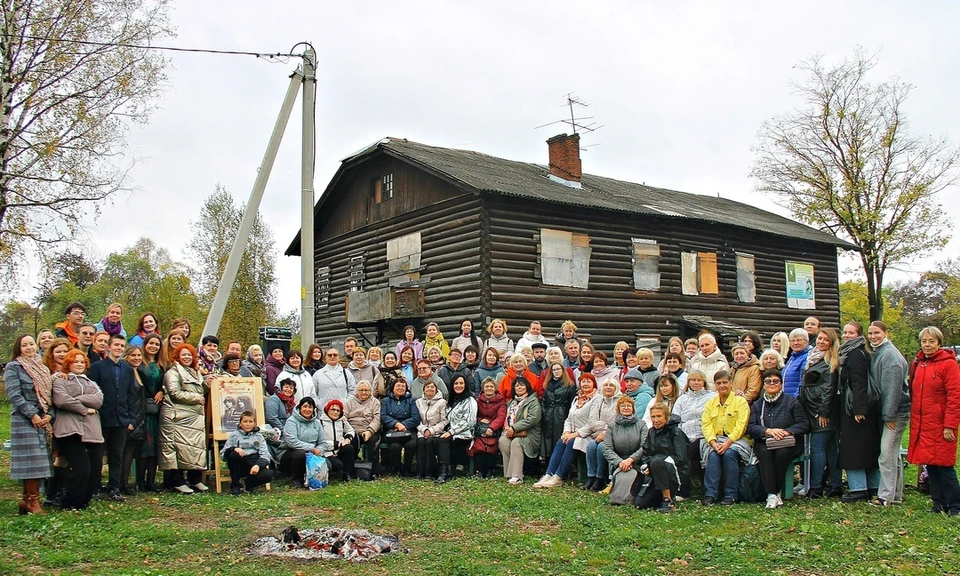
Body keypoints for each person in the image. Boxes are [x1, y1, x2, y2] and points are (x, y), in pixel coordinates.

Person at [907, 326, 960, 516]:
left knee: (945, 466)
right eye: (924, 341)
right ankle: (938, 504)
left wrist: (950, 425)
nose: (927, 345)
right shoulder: (919, 364)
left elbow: (955, 397)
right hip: (923, 423)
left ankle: (955, 506)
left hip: (941, 423)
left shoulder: (949, 364)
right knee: (931, 464)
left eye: (931, 341)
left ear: (939, 343)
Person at [6, 334, 55, 515]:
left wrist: (49, 415)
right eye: (24, 345)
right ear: (19, 348)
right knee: (31, 461)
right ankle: (33, 501)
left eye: (31, 344)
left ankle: (27, 500)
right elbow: (15, 395)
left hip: (43, 419)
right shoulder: (14, 367)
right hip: (23, 419)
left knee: (40, 461)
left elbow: (50, 397)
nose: (29, 348)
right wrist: (32, 414)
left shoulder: (43, 368)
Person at [748, 370, 809, 509]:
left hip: (788, 442)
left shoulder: (791, 402)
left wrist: (786, 432)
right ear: (763, 385)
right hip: (765, 441)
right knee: (764, 453)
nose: (772, 384)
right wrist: (767, 431)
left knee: (782, 453)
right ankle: (773, 494)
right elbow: (751, 427)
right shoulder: (758, 404)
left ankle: (774, 491)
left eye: (775, 381)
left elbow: (803, 424)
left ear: (781, 384)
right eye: (768, 381)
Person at [87, 334, 138, 502]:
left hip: (121, 418)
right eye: (116, 345)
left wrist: (131, 419)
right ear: (108, 347)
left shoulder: (127, 369)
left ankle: (114, 487)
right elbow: (92, 392)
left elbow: (131, 395)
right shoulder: (97, 367)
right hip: (101, 418)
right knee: (97, 455)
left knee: (117, 455)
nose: (119, 348)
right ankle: (94, 487)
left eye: (122, 346)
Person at [51, 350, 104, 510]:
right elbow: (60, 400)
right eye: (76, 362)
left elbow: (99, 399)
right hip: (69, 429)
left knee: (95, 467)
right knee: (81, 467)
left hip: (92, 429)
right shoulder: (61, 381)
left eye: (82, 362)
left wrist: (75, 400)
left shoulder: (91, 383)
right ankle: (70, 502)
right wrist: (84, 409)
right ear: (69, 364)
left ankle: (83, 501)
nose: (79, 365)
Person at [837, 322, 881, 503]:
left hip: (855, 408)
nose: (847, 335)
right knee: (867, 448)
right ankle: (873, 486)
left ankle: (858, 488)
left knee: (853, 449)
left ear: (858, 335)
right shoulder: (859, 351)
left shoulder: (855, 354)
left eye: (851, 333)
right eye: (845, 332)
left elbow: (858, 382)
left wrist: (858, 409)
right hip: (863, 407)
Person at [868, 321, 910, 506]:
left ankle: (885, 496)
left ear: (885, 333)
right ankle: (897, 495)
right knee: (892, 453)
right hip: (887, 411)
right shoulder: (879, 352)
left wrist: (889, 416)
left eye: (876, 333)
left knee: (886, 454)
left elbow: (892, 390)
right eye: (870, 333)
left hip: (895, 413)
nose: (873, 336)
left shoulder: (890, 356)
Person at [159, 343, 209, 494]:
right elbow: (174, 392)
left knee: (193, 448)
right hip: (176, 417)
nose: (187, 357)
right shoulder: (173, 372)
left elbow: (200, 391)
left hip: (192, 417)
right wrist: (196, 397)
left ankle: (194, 480)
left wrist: (207, 384)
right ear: (177, 356)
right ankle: (178, 481)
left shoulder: (195, 371)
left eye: (189, 355)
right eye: (184, 355)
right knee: (176, 449)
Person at [534, 373, 598, 488]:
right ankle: (548, 474)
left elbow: (592, 423)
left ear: (594, 383)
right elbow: (569, 418)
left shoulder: (597, 399)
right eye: (583, 381)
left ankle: (558, 477)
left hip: (588, 434)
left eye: (589, 381)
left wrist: (575, 434)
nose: (586, 384)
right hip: (573, 433)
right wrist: (567, 432)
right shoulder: (577, 398)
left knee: (571, 442)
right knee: (561, 441)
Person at [800, 328, 841, 499]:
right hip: (815, 409)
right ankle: (836, 484)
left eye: (825, 339)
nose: (821, 341)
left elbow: (828, 389)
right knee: (831, 450)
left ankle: (816, 487)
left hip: (820, 412)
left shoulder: (829, 361)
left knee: (818, 449)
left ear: (831, 342)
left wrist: (822, 412)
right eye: (820, 338)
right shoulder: (815, 358)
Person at [700, 370, 752, 505]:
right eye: (719, 383)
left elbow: (741, 426)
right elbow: (706, 425)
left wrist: (728, 443)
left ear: (731, 384)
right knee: (713, 455)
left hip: (737, 440)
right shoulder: (710, 403)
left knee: (729, 454)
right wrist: (713, 442)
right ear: (715, 386)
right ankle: (710, 494)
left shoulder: (740, 402)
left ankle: (731, 495)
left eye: (725, 382)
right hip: (716, 440)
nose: (722, 386)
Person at [635, 403, 689, 513]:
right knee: (640, 504)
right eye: (653, 417)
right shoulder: (651, 432)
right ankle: (660, 497)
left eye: (659, 416)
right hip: (656, 474)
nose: (655, 420)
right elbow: (646, 453)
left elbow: (680, 458)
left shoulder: (676, 432)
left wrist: (659, 464)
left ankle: (667, 500)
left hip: (675, 473)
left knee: (656, 462)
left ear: (667, 417)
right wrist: (646, 466)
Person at [672, 370, 716, 497]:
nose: (696, 382)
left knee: (692, 452)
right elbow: (675, 420)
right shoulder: (682, 399)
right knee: (681, 454)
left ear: (704, 382)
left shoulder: (712, 397)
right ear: (688, 382)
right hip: (684, 435)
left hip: (704, 435)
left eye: (699, 380)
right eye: (693, 380)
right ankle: (683, 490)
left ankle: (704, 488)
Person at [603, 396, 648, 500]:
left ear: (633, 408)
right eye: (623, 406)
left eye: (629, 406)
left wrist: (631, 460)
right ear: (618, 409)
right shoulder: (612, 426)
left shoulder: (641, 424)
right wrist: (620, 462)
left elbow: (644, 446)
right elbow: (607, 449)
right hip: (618, 462)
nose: (626, 408)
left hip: (637, 461)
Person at [499, 377, 542, 485]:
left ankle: (517, 475)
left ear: (527, 386)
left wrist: (514, 428)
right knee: (503, 441)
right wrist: (508, 428)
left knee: (516, 442)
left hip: (529, 434)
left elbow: (533, 419)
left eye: (522, 385)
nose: (519, 387)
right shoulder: (511, 402)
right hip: (512, 433)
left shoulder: (533, 400)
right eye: (517, 385)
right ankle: (508, 474)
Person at [221, 411, 273, 495]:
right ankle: (236, 485)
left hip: (253, 463)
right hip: (239, 464)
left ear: (254, 423)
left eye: (250, 422)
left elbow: (266, 455)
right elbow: (223, 456)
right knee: (233, 454)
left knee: (268, 475)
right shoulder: (234, 435)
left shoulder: (259, 436)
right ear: (240, 424)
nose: (248, 424)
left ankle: (248, 484)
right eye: (245, 422)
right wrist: (233, 449)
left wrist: (258, 465)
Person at [583, 378, 621, 491]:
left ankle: (600, 478)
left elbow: (617, 422)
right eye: (606, 385)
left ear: (616, 388)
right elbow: (592, 421)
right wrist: (606, 425)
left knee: (601, 447)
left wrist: (606, 431)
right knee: (590, 446)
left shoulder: (620, 401)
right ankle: (591, 475)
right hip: (597, 434)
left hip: (614, 434)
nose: (608, 387)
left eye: (611, 385)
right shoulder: (599, 400)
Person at [138, 334, 164, 492]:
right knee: (144, 448)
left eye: (157, 344)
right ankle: (140, 481)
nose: (153, 346)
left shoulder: (161, 364)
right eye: (151, 343)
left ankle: (151, 481)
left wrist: (161, 391)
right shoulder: (140, 364)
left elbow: (163, 383)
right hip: (144, 409)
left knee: (155, 447)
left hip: (157, 409)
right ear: (145, 344)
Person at [278, 397, 324, 488]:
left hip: (312, 453)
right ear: (300, 408)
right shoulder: (291, 421)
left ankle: (311, 477)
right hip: (290, 452)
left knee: (329, 466)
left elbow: (323, 442)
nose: (307, 409)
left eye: (310, 407)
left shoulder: (317, 423)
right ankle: (296, 479)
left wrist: (318, 450)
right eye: (305, 406)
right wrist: (311, 448)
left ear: (313, 409)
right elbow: (292, 442)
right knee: (300, 454)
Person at [120, 345, 147, 496]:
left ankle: (125, 482)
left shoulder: (137, 372)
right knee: (125, 453)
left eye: (139, 355)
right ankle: (122, 484)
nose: (137, 358)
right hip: (130, 418)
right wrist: (128, 420)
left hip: (139, 417)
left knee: (130, 452)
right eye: (133, 356)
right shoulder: (126, 372)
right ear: (127, 357)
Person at [380, 379, 420, 476]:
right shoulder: (386, 401)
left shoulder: (412, 400)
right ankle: (396, 468)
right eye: (398, 386)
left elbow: (416, 418)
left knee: (411, 444)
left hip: (408, 429)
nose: (400, 388)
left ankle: (407, 468)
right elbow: (383, 417)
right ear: (392, 388)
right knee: (395, 446)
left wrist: (404, 425)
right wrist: (396, 424)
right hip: (391, 429)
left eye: (403, 386)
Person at [470, 377, 507, 478]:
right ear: (483, 388)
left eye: (491, 386)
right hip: (479, 429)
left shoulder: (500, 401)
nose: (489, 388)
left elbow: (501, 416)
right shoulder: (477, 400)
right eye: (487, 386)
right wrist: (480, 421)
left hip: (494, 429)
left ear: (495, 388)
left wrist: (491, 427)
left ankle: (491, 469)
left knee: (491, 446)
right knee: (479, 446)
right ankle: (480, 470)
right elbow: (473, 415)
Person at [540, 361, 577, 461]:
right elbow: (543, 400)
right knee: (548, 441)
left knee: (559, 439)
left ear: (563, 370)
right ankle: (548, 464)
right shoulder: (547, 384)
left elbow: (572, 403)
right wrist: (545, 412)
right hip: (549, 415)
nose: (556, 371)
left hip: (561, 415)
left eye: (558, 369)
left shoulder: (570, 385)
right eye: (554, 370)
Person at [415, 381, 450, 482]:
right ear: (424, 390)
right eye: (427, 387)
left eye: (432, 387)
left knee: (430, 442)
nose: (429, 389)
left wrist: (431, 430)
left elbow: (444, 421)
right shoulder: (418, 402)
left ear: (436, 389)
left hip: (436, 431)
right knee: (421, 442)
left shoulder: (442, 402)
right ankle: (420, 471)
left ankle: (430, 472)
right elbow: (416, 419)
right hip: (422, 431)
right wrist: (424, 430)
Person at [444, 375, 478, 479]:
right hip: (450, 431)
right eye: (456, 383)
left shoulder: (470, 400)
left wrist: (451, 432)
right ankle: (444, 468)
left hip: (465, 433)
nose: (459, 386)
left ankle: (453, 468)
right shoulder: (450, 400)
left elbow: (469, 422)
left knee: (453, 441)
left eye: (461, 383)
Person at [344, 380, 381, 473]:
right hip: (353, 429)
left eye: (366, 390)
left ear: (370, 391)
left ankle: (372, 470)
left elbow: (377, 419)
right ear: (357, 391)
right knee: (352, 441)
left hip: (369, 429)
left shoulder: (375, 402)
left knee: (373, 441)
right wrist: (350, 430)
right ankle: (350, 470)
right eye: (361, 390)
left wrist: (370, 431)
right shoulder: (349, 401)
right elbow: (344, 417)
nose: (363, 392)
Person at [319, 400, 356, 482]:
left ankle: (347, 473)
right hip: (326, 452)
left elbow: (351, 430)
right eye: (333, 410)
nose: (335, 412)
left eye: (338, 410)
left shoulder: (342, 421)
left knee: (349, 448)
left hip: (339, 450)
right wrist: (337, 444)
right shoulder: (320, 422)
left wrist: (348, 438)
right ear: (327, 410)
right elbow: (319, 442)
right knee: (337, 465)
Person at [782, 329, 811, 397]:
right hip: (787, 398)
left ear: (806, 341)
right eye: (792, 340)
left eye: (799, 340)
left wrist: (795, 399)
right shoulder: (793, 357)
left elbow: (802, 381)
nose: (795, 343)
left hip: (795, 400)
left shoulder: (807, 357)